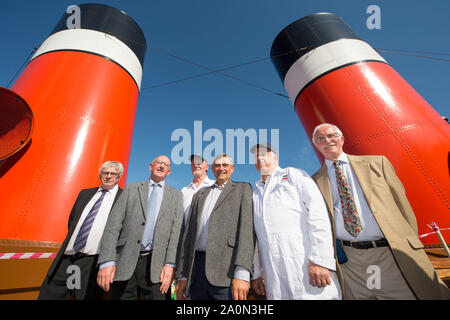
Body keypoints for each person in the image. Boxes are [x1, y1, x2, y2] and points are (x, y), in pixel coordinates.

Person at [311, 123, 450, 300]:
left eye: (331, 136)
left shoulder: (377, 163)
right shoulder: (314, 181)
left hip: (390, 253)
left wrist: (409, 243)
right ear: (316, 145)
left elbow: (402, 204)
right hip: (350, 261)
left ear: (342, 139)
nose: (327, 141)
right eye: (321, 139)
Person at [250, 143, 341, 300]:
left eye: (264, 153)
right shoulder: (254, 191)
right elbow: (255, 236)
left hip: (309, 268)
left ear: (275, 156)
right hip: (274, 277)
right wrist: (257, 273)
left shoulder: (293, 175)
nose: (260, 157)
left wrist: (321, 260)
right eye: (256, 156)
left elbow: (318, 215)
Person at [97, 155, 184, 300]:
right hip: (124, 262)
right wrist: (107, 261)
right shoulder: (131, 189)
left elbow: (176, 234)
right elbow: (113, 226)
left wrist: (170, 264)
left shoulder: (176, 195)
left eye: (165, 165)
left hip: (156, 267)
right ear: (151, 166)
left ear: (169, 171)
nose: (161, 166)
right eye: (158, 163)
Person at [38, 161, 124, 300]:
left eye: (113, 174)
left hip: (93, 262)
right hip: (67, 257)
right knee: (49, 294)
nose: (108, 176)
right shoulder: (85, 193)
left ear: (118, 176)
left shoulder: (124, 197)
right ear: (100, 175)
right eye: (105, 173)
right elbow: (72, 220)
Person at [176, 154, 254, 300]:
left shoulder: (243, 189)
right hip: (196, 270)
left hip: (226, 270)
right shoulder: (199, 195)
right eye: (217, 165)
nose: (221, 168)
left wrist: (242, 273)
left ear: (232, 169)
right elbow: (188, 236)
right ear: (212, 168)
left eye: (225, 165)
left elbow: (247, 232)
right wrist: (182, 274)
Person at [181, 154, 214, 223]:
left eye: (199, 163)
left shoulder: (214, 186)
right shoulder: (184, 190)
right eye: (193, 163)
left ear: (207, 167)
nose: (196, 166)